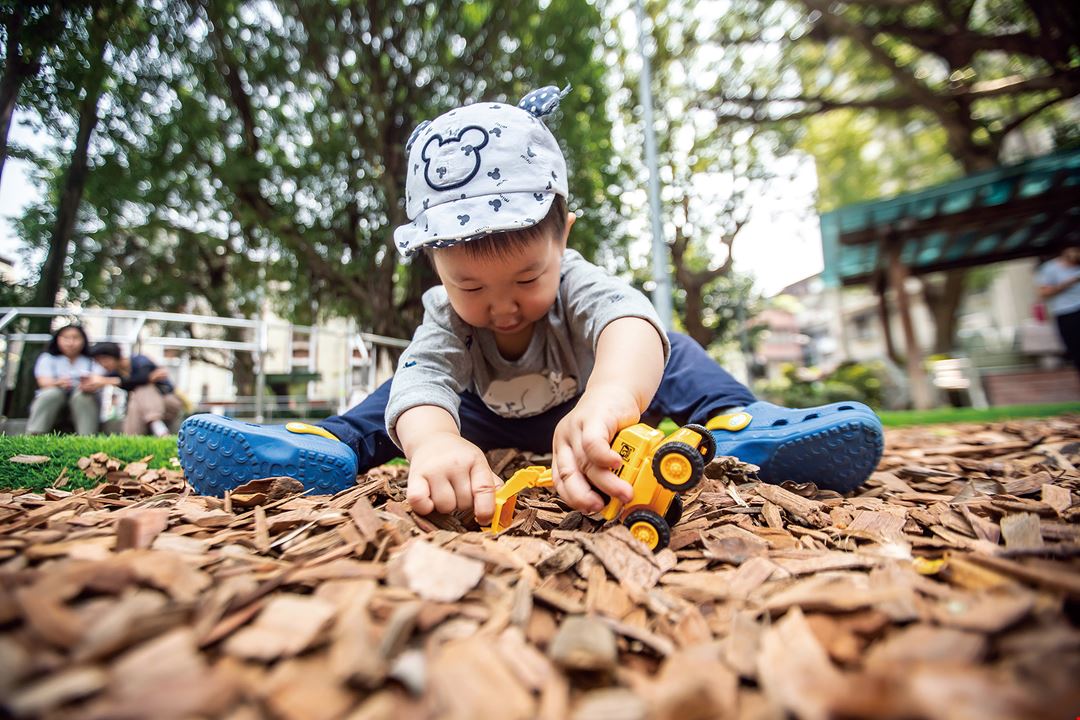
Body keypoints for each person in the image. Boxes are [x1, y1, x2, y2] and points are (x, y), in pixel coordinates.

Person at [178, 86, 884, 520]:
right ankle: (324, 448)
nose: (503, 306)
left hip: (594, 399)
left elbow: (626, 326)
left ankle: (741, 427)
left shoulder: (577, 281)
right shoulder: (444, 313)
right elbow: (427, 379)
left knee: (665, 348)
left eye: (526, 278)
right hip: (484, 412)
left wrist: (608, 402)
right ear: (435, 263)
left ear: (563, 236)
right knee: (402, 393)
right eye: (470, 287)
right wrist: (437, 442)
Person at [84, 343, 184, 437]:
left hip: (168, 402)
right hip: (144, 406)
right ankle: (156, 428)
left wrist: (107, 381)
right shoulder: (114, 373)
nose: (103, 364)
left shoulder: (139, 361)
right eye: (99, 362)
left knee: (143, 388)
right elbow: (137, 380)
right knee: (135, 402)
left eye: (104, 359)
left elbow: (140, 378)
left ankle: (139, 433)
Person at [26, 324, 102, 435]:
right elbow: (43, 382)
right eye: (66, 338)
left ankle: (87, 438)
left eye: (76, 338)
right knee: (51, 393)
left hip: (81, 399)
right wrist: (58, 383)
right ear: (57, 339)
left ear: (83, 340)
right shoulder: (47, 358)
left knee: (83, 396)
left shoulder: (91, 360)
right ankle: (35, 435)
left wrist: (89, 386)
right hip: (54, 399)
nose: (71, 342)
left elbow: (99, 380)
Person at [1037, 244, 1080, 374]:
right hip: (1066, 312)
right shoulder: (1050, 268)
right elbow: (1043, 293)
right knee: (1076, 350)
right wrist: (1069, 282)